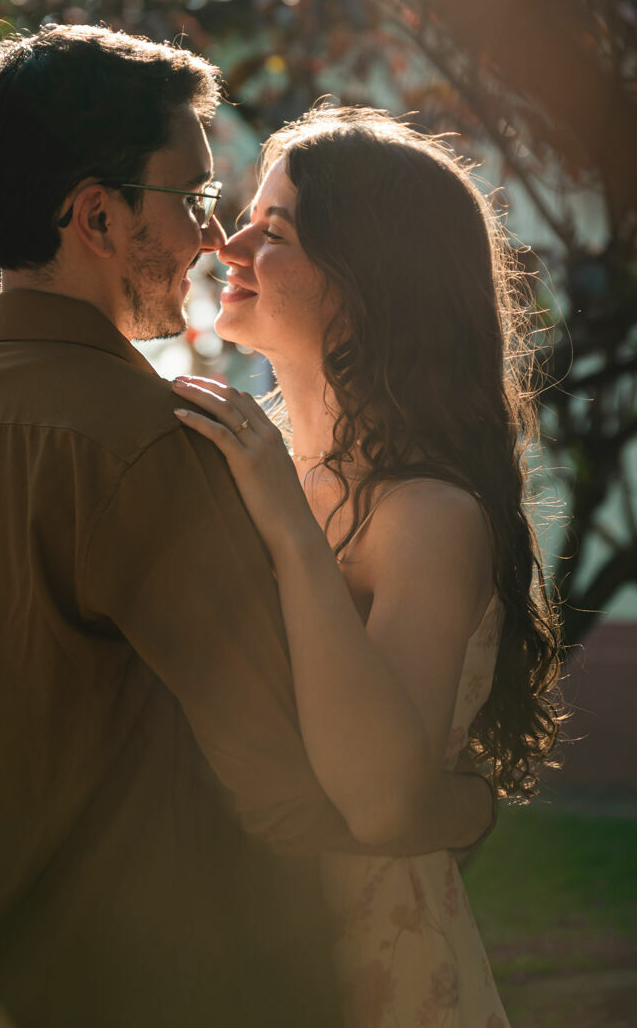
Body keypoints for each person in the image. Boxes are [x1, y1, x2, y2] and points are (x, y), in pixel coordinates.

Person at [0, 29, 495, 1028]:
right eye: (190, 199)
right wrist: (467, 806)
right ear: (97, 215)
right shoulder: (155, 447)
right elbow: (296, 796)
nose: (208, 238)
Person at [173, 104, 563, 1028]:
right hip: (235, 961)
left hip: (378, 972)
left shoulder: (428, 517)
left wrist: (286, 523)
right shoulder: (238, 457)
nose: (226, 246)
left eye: (271, 229)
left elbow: (383, 804)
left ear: (364, 282)